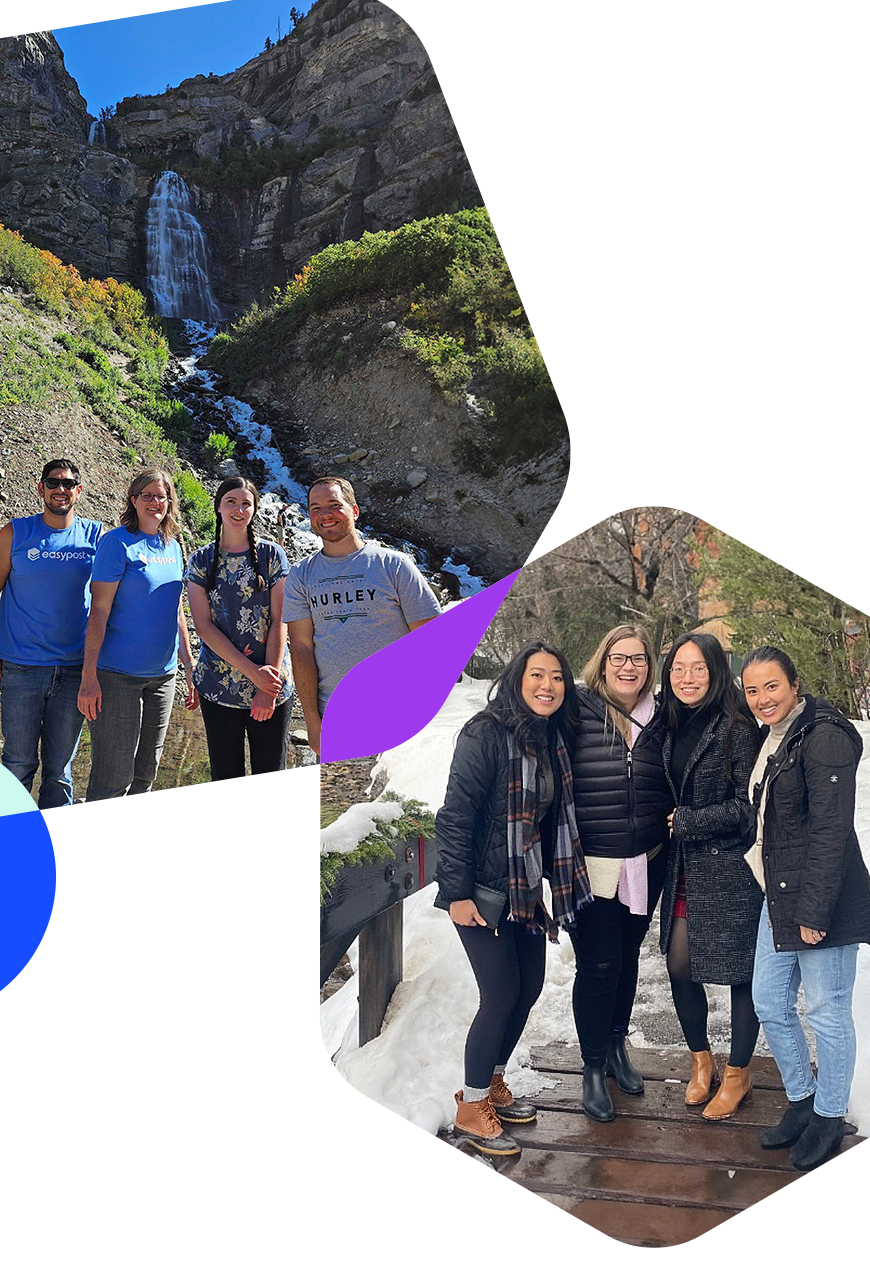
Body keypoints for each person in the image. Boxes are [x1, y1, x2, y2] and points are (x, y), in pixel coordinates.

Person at [434, 643, 590, 1157]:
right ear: (517, 679)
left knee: (528, 988)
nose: (548, 685)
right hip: (483, 891)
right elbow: (455, 815)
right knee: (500, 995)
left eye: (557, 677)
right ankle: (471, 1104)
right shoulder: (484, 733)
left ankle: (492, 1081)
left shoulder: (550, 739)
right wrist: (456, 893)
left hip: (524, 889)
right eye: (537, 675)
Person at [742, 646, 870, 1171]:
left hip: (825, 900)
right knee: (769, 1000)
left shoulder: (824, 738)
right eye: (752, 690)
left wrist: (815, 912)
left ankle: (830, 1115)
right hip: (780, 892)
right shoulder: (779, 733)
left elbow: (830, 831)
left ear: (795, 684)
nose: (762, 698)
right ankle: (802, 1099)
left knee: (827, 1010)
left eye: (771, 686)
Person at [566, 623, 672, 1121]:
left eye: (638, 659)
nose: (629, 667)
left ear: (650, 667)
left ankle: (615, 1046)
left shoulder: (663, 715)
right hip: (592, 865)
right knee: (598, 964)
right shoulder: (576, 710)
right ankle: (591, 1065)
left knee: (627, 957)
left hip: (647, 859)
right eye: (619, 658)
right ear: (603, 662)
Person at [657, 632, 762, 1120]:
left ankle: (738, 1073)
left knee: (741, 973)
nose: (687, 678)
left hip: (729, 868)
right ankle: (701, 1059)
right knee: (679, 963)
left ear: (717, 671)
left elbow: (748, 807)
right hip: (685, 866)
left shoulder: (737, 726)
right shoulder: (670, 720)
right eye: (678, 668)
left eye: (698, 668)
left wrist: (690, 821)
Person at [282, 476, 441, 759]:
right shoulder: (300, 575)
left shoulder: (393, 565)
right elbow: (301, 648)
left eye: (334, 504)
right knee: (343, 790)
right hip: (336, 719)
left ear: (354, 511)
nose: (325, 514)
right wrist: (312, 722)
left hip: (399, 717)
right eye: (316, 508)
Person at [0, 459, 104, 818]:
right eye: (53, 483)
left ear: (78, 491)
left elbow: (110, 598)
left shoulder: (96, 536)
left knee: (60, 770)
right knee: (17, 763)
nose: (60, 490)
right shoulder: (14, 533)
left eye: (68, 484)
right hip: (22, 667)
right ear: (40, 488)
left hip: (74, 669)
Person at [78, 469, 197, 819]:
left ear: (170, 502)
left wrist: (189, 666)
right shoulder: (116, 543)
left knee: (146, 774)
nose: (155, 502)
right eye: (147, 495)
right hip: (117, 676)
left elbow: (177, 610)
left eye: (161, 496)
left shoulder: (173, 546)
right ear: (134, 500)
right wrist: (88, 676)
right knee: (113, 777)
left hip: (163, 677)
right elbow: (99, 611)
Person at [186, 476, 293, 819]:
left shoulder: (272, 556)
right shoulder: (201, 561)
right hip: (219, 689)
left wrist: (267, 687)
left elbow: (281, 619)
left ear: (254, 509)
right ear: (218, 507)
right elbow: (203, 626)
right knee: (226, 794)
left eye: (246, 503)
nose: (238, 509)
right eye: (231, 501)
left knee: (271, 793)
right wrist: (253, 674)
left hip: (272, 687)